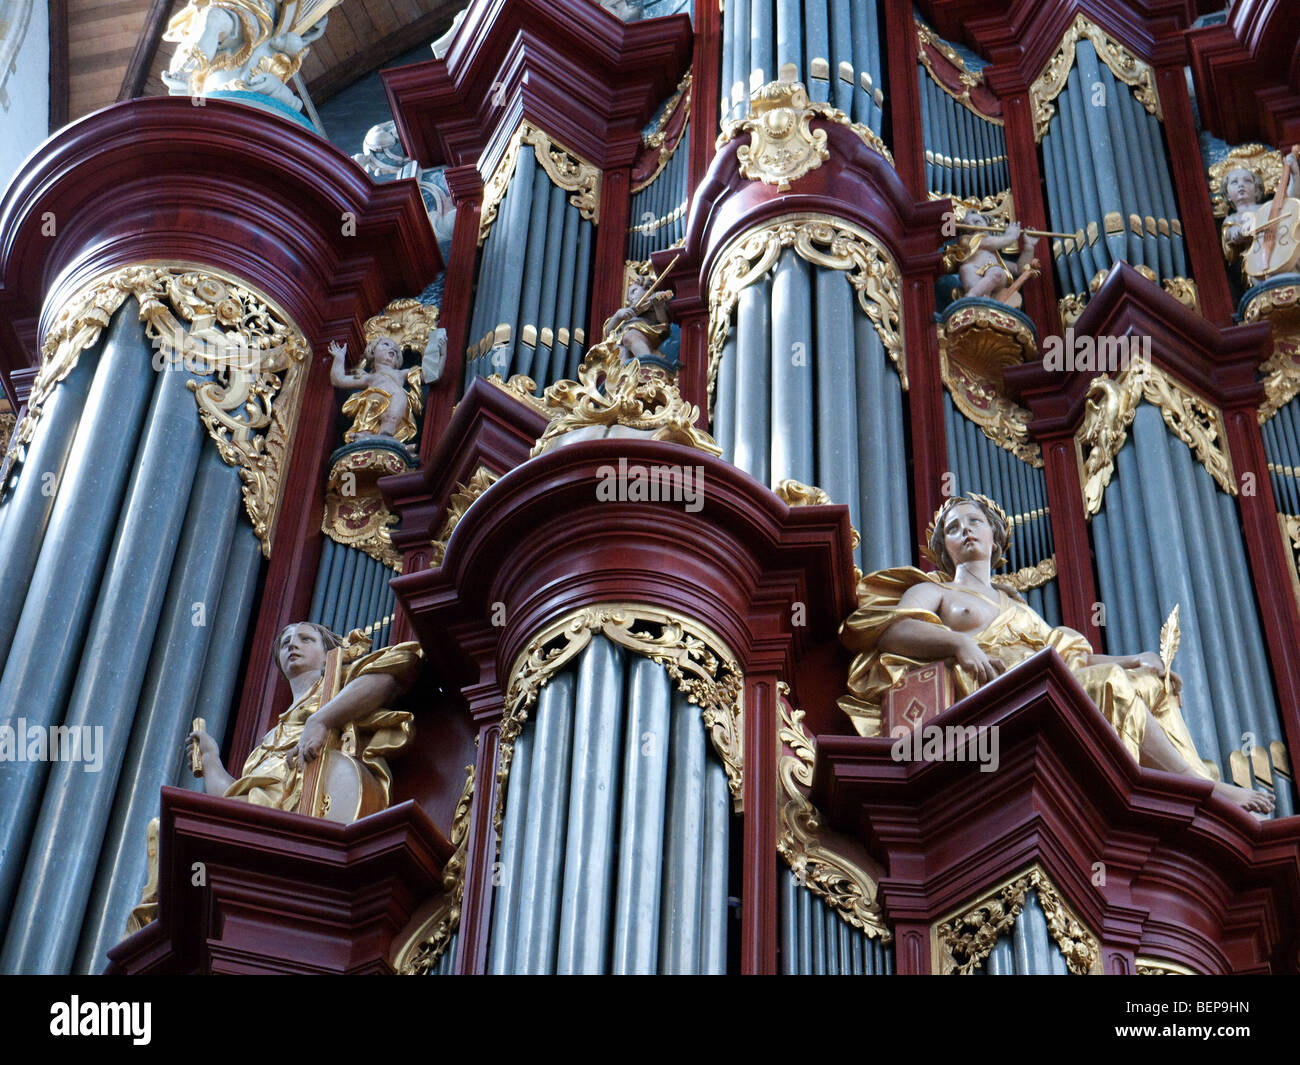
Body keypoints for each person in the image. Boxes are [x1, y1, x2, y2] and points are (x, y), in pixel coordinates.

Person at [838, 494, 1274, 813]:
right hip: (1003, 691)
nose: (965, 530)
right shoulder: (934, 590)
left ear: (995, 535)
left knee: (1146, 682)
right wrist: (959, 642)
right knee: (1109, 686)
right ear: (944, 549)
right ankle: (1200, 790)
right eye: (953, 528)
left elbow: (1070, 659)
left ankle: (1177, 783)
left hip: (1049, 684)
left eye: (974, 521)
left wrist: (1134, 658)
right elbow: (896, 632)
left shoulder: (1020, 608)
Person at [125, 623, 420, 933]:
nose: (293, 645)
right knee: (162, 828)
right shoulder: (266, 742)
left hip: (293, 821)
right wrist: (211, 762)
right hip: (258, 824)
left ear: (328, 655)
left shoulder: (337, 687)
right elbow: (232, 801)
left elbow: (402, 663)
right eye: (285, 643)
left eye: (306, 639)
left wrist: (322, 718)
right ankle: (163, 927)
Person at [1220, 149, 1300, 284]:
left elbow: (1292, 203)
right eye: (1234, 182)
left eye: (1247, 181)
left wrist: (1295, 175)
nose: (1241, 185)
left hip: (1283, 249)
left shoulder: (1270, 207)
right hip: (1256, 262)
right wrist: (1240, 232)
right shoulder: (1233, 218)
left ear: (1256, 188)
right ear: (1227, 193)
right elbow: (1231, 235)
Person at [329, 337, 423, 443]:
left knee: (391, 418)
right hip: (375, 399)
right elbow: (339, 380)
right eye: (386, 344)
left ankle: (386, 437)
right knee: (370, 403)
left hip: (397, 396)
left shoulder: (400, 374)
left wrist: (440, 354)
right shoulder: (369, 377)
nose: (392, 349)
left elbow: (428, 375)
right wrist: (339, 358)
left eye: (396, 351)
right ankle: (365, 436)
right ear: (373, 351)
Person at [948, 212, 1039, 304]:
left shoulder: (992, 255)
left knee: (996, 272)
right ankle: (979, 302)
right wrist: (1011, 235)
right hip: (972, 270)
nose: (972, 225)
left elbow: (1019, 269)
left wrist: (1029, 247)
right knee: (966, 270)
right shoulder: (973, 240)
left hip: (995, 272)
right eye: (967, 225)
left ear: (988, 225)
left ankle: (971, 297)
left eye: (977, 222)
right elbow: (996, 241)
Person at [601, 275, 671, 364]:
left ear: (647, 290)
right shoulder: (629, 314)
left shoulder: (652, 306)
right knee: (621, 352)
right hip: (624, 343)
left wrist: (658, 306)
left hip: (645, 335)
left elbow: (664, 326)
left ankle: (648, 364)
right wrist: (617, 316)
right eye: (629, 297)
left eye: (634, 291)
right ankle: (625, 375)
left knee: (630, 337)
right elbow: (608, 332)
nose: (631, 298)